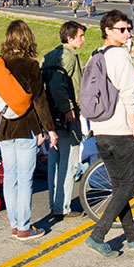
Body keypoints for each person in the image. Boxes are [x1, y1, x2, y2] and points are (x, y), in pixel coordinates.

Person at [84, 10, 134, 258]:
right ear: (108, 30)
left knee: (119, 186)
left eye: (129, 28)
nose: (127, 33)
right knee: (129, 186)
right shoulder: (120, 56)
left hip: (100, 129)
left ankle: (131, 237)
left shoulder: (94, 56)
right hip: (120, 129)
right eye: (122, 29)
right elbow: (129, 93)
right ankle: (98, 234)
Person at [0, 20, 57, 241]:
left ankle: (14, 224)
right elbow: (40, 101)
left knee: (9, 178)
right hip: (26, 127)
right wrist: (50, 129)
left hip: (4, 128)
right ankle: (24, 227)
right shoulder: (31, 66)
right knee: (25, 178)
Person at [42, 21, 86, 220]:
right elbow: (58, 84)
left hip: (51, 115)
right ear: (70, 38)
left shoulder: (50, 55)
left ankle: (55, 202)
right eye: (80, 36)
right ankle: (63, 207)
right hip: (66, 113)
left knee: (55, 160)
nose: (83, 40)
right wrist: (68, 107)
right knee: (69, 162)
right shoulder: (68, 55)